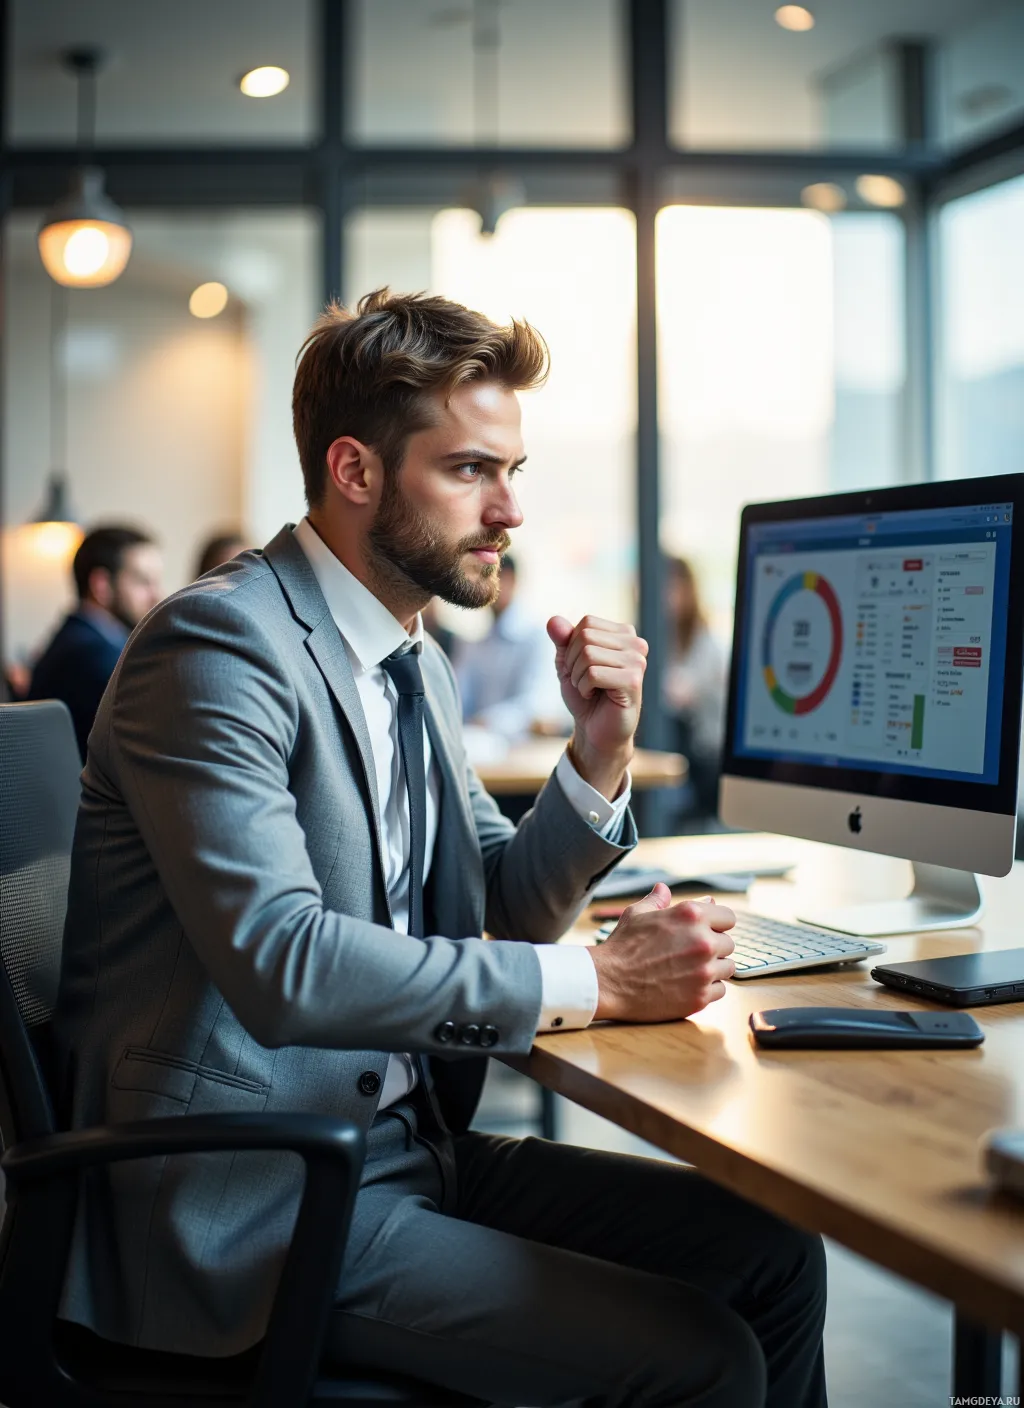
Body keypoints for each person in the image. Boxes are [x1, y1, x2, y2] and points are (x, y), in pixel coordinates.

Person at [54, 290, 826, 1408]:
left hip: (400, 1147)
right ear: (355, 471)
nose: (509, 510)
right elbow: (282, 960)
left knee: (771, 1253)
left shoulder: (411, 656)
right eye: (470, 470)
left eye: (512, 471)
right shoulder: (219, 643)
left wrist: (598, 754)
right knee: (699, 1357)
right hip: (251, 1192)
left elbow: (501, 904)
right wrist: (596, 983)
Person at [28, 524, 163, 760]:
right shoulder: (90, 653)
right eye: (143, 582)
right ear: (101, 585)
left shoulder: (80, 639)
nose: (156, 596)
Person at [453, 552, 568, 739]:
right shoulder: (474, 644)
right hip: (478, 745)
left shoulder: (538, 638)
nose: (479, 585)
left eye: (487, 575)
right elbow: (456, 697)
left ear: (511, 581)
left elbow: (537, 704)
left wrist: (486, 721)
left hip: (524, 751)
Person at [663, 555, 728, 821]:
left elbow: (684, 695)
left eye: (670, 586)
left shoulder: (706, 642)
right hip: (677, 750)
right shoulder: (659, 637)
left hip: (704, 753)